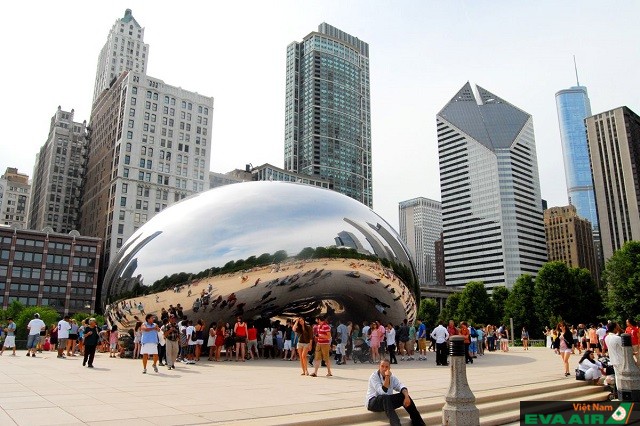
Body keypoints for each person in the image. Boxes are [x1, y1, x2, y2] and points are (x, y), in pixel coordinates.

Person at [365, 359, 426, 426]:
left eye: (386, 367)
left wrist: (406, 396)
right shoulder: (374, 376)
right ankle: (396, 424)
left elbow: (400, 385)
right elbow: (382, 392)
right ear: (378, 367)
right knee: (385, 397)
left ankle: (419, 423)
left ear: (389, 368)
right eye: (382, 366)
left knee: (403, 396)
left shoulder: (392, 377)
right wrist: (387, 377)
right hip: (373, 403)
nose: (384, 369)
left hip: (387, 402)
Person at [604, 322, 623, 392]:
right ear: (615, 328)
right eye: (617, 326)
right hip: (620, 360)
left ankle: (619, 391)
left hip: (613, 360)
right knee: (622, 377)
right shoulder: (617, 338)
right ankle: (623, 392)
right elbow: (624, 348)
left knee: (618, 377)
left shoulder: (607, 337)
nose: (619, 327)